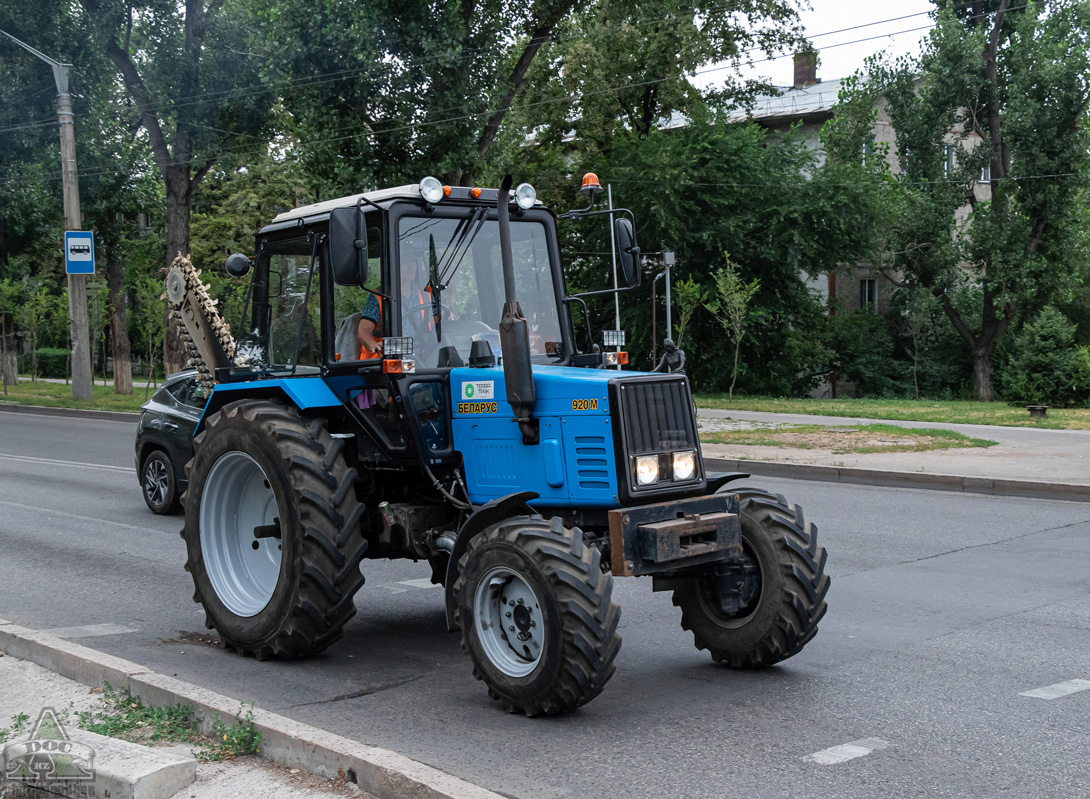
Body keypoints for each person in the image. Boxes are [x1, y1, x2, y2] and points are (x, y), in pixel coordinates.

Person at [356, 253, 437, 361]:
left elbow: (435, 321)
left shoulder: (426, 293)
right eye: (405, 262)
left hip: (423, 358)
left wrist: (446, 317)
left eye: (413, 262)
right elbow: (363, 331)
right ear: (394, 266)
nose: (411, 267)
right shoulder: (378, 296)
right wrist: (373, 345)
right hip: (388, 361)